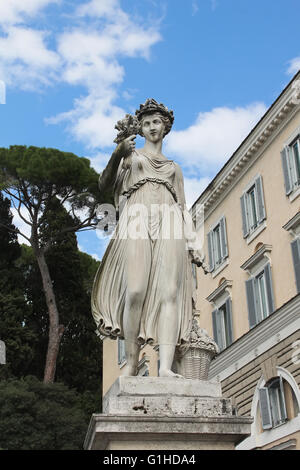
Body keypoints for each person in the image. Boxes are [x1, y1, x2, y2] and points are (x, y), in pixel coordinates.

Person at [91, 99, 206, 378]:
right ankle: (131, 363)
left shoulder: (174, 168)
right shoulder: (130, 157)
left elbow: (181, 207)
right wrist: (118, 152)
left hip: (169, 224)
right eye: (147, 123)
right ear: (140, 129)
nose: (152, 127)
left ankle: (165, 366)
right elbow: (103, 185)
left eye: (157, 122)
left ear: (165, 127)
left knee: (169, 293)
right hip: (136, 220)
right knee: (135, 291)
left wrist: (193, 243)